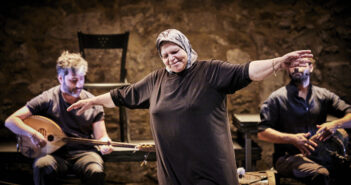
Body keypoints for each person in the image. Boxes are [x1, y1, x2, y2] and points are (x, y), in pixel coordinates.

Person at [67, 29, 312, 185]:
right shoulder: (156, 80)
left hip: (209, 170)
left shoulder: (211, 71)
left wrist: (278, 63)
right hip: (173, 172)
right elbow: (124, 95)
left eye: (175, 51)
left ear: (185, 47)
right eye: (165, 56)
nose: (171, 58)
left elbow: (246, 71)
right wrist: (92, 100)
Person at [5, 51, 113, 185]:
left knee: (95, 171)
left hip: (84, 153)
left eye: (82, 78)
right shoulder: (48, 98)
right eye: (74, 80)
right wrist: (33, 134)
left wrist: (105, 144)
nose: (79, 84)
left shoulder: (93, 102)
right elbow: (11, 121)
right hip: (54, 155)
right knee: (42, 166)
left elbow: (101, 136)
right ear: (61, 78)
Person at [257, 57, 351, 185]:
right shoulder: (276, 98)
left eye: (301, 64)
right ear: (288, 70)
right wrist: (292, 139)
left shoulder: (323, 95)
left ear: (311, 67)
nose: (296, 67)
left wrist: (335, 124)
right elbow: (262, 132)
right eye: (292, 65)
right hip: (287, 158)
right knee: (321, 174)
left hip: (320, 155)